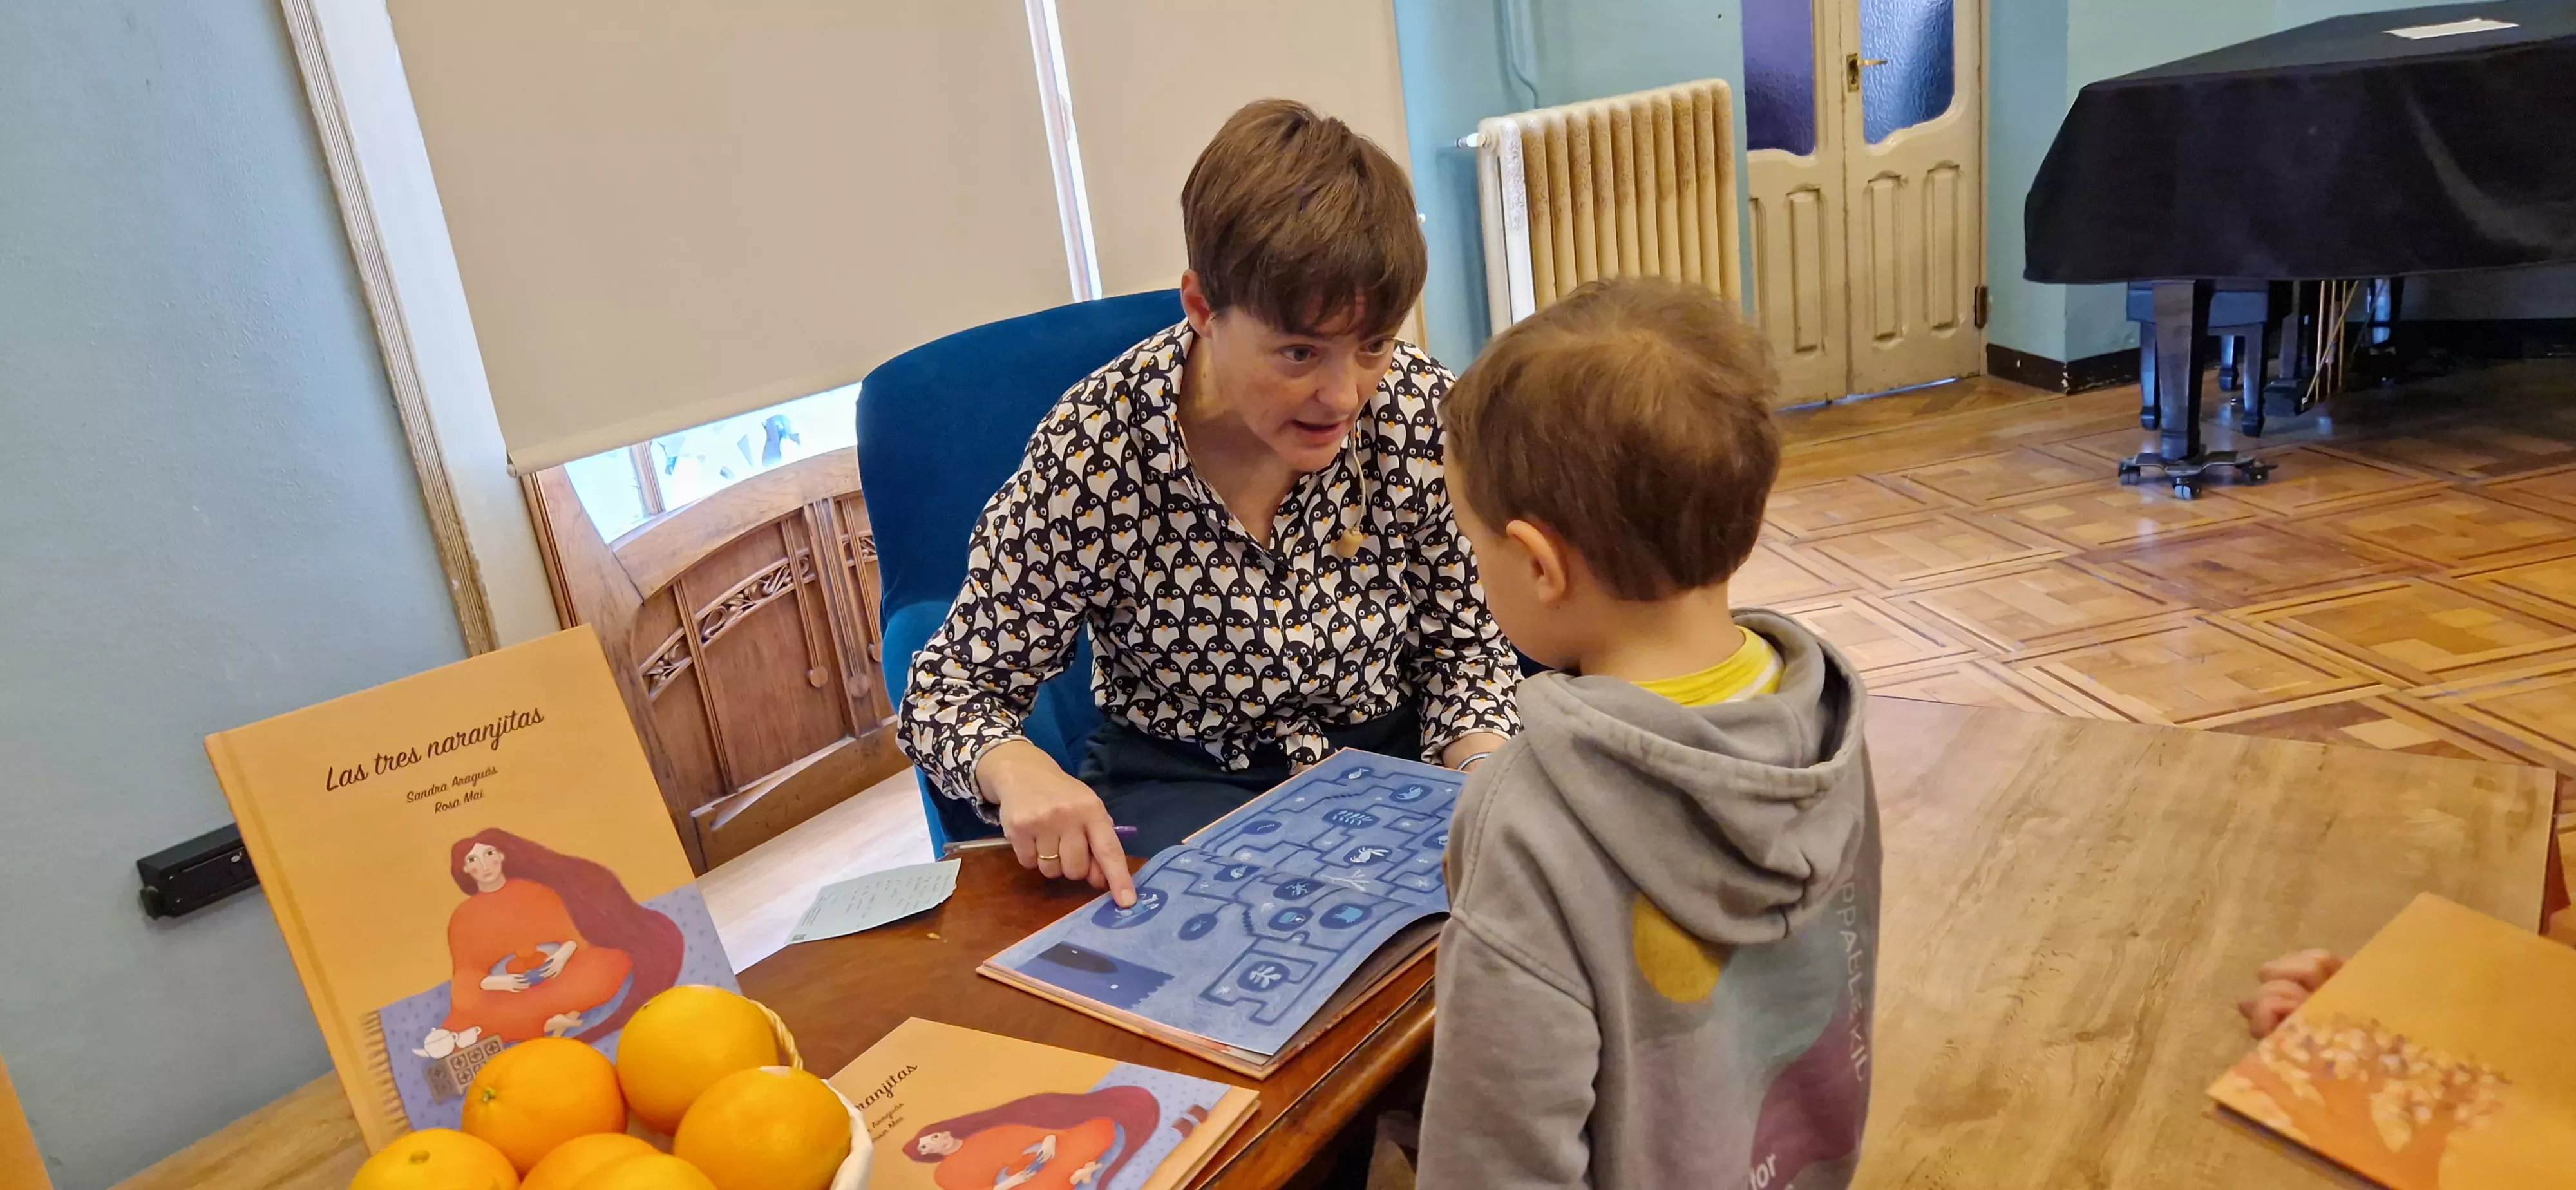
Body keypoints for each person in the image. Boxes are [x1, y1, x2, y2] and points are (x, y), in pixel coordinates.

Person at [899, 100, 1520, 907]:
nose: (1343, 395)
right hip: (1183, 782)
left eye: (1372, 345)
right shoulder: (1099, 449)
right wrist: (1016, 768)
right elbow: (951, 689)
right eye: (1299, 352)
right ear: (1201, 307)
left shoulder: (1415, 413)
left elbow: (1463, 652)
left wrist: (1478, 773)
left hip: (1393, 760)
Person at [1413, 278, 1881, 1189]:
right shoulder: (1828, 723)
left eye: (1476, 546)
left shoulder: (1524, 815)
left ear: (1540, 565)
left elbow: (1496, 1150)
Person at [415, 829, 682, 1055]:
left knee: (609, 964)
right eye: (473, 859)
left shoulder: (536, 891)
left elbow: (572, 939)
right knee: (480, 1009)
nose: (484, 866)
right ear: (464, 869)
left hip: (555, 971)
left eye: (489, 854)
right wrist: (502, 983)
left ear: (502, 855)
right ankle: (553, 1021)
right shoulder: (463, 917)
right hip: (507, 987)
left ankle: (553, 1019)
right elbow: (467, 974)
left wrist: (561, 958)